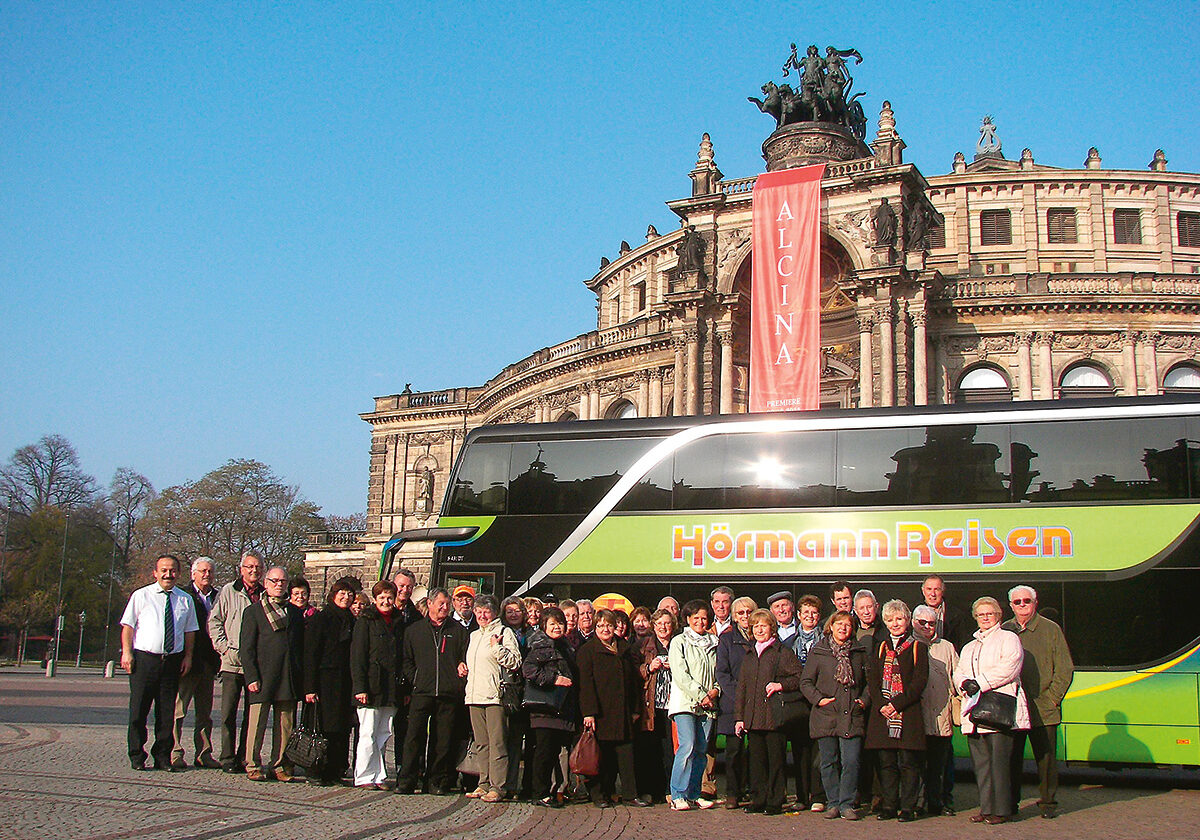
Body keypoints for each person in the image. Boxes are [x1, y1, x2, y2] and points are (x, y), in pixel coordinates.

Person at [120, 554, 198, 771]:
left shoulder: (185, 599)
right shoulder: (141, 596)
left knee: (166, 713)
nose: (168, 574)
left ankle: (162, 756)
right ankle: (137, 755)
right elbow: (128, 626)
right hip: (144, 660)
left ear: (179, 573)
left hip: (172, 661)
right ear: (155, 573)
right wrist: (127, 653)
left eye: (172, 570)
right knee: (138, 711)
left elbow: (190, 631)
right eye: (163, 570)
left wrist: (188, 657)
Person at [956, 596, 1029, 825]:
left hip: (999, 711)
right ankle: (986, 809)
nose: (985, 618)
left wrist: (980, 682)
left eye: (989, 614)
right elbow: (959, 670)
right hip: (975, 713)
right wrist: (964, 683)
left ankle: (1002, 810)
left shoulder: (1009, 638)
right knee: (982, 765)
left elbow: (1010, 666)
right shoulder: (970, 646)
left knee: (1000, 764)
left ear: (998, 616)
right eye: (980, 614)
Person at [1003, 585, 1074, 819]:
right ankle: (1011, 804)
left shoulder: (1051, 629)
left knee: (1045, 759)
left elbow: (1064, 668)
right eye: (1017, 602)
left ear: (1035, 602)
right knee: (1012, 759)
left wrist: (1053, 698)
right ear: (1011, 605)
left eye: (1026, 601)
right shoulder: (1005, 630)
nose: (1022, 605)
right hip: (1013, 708)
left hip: (1044, 706)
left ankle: (1047, 804)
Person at [397, 588, 469, 795]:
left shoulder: (458, 631)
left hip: (448, 692)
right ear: (429, 604)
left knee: (443, 740)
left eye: (447, 604)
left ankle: (436, 781)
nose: (444, 608)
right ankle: (407, 780)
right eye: (440, 604)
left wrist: (460, 671)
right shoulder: (414, 630)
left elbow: (464, 658)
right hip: (422, 691)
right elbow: (406, 660)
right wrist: (416, 680)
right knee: (414, 737)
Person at [801, 610, 869, 821]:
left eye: (847, 625)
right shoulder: (819, 651)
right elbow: (806, 682)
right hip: (826, 715)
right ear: (831, 626)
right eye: (839, 624)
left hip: (852, 714)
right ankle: (833, 803)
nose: (843, 628)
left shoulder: (859, 652)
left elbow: (869, 683)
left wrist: (864, 701)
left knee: (851, 761)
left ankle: (847, 803)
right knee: (828, 761)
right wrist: (818, 699)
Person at [734, 609, 803, 815]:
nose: (760, 629)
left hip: (774, 717)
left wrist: (780, 685)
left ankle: (774, 801)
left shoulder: (782, 652)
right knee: (756, 763)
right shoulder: (749, 654)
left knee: (776, 761)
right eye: (756, 626)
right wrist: (739, 718)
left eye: (763, 625)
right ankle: (758, 799)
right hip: (754, 718)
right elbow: (742, 689)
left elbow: (799, 677)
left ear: (772, 628)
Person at [864, 599, 928, 822]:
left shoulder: (918, 647)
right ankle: (889, 805)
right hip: (883, 715)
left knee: (909, 764)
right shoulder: (881, 646)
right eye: (890, 620)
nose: (895, 623)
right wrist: (882, 704)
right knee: (887, 764)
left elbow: (919, 682)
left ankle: (908, 808)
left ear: (908, 621)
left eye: (899, 619)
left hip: (907, 714)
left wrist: (896, 704)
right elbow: (872, 678)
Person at [240, 565, 305, 782]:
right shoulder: (254, 612)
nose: (279, 585)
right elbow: (246, 648)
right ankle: (252, 763)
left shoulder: (295, 612)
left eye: (283, 582)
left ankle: (279, 765)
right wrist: (251, 677)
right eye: (274, 581)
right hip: (262, 675)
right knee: (256, 724)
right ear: (266, 584)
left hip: (287, 675)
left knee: (285, 724)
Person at [577, 609, 641, 808]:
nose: (605, 629)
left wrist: (636, 708)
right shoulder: (587, 651)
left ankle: (630, 795)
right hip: (601, 712)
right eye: (601, 626)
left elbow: (634, 681)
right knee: (601, 756)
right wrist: (589, 712)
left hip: (623, 711)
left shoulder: (625, 648)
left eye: (609, 625)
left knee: (626, 756)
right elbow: (585, 684)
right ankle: (600, 795)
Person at [208, 549, 263, 773]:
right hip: (232, 661)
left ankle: (245, 756)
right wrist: (224, 649)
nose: (253, 570)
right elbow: (214, 621)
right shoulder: (229, 591)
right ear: (242, 569)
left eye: (257, 567)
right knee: (229, 713)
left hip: (257, 664)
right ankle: (228, 757)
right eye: (249, 567)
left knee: (252, 715)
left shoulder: (265, 593)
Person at [464, 594, 522, 802]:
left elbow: (515, 661)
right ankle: (483, 783)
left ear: (494, 612)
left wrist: (497, 648)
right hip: (474, 695)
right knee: (481, 743)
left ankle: (499, 786)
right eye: (478, 612)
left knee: (497, 743)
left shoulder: (504, 632)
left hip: (495, 697)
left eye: (485, 611)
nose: (481, 615)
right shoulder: (474, 636)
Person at [347, 580, 403, 789]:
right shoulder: (366, 620)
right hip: (371, 685)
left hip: (390, 686)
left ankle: (378, 775)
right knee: (367, 732)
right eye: (382, 598)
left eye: (389, 597)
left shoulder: (398, 621)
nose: (386, 601)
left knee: (384, 732)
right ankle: (363, 775)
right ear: (375, 599)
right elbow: (358, 656)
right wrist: (360, 688)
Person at [523, 606, 579, 808]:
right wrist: (554, 679)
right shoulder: (541, 644)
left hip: (559, 708)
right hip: (544, 708)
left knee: (553, 751)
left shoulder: (564, 645)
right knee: (544, 752)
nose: (557, 627)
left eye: (560, 623)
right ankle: (540, 793)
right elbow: (529, 670)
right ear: (544, 625)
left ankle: (550, 790)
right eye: (553, 623)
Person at [303, 577, 357, 786]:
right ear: (333, 595)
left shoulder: (351, 620)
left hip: (345, 681)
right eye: (342, 594)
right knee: (322, 728)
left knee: (342, 729)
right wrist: (310, 687)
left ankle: (335, 769)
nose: (346, 597)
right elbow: (311, 654)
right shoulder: (322, 618)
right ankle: (317, 769)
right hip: (325, 681)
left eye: (349, 594)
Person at [667, 599, 719, 810]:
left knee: (700, 750)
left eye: (704, 618)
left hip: (708, 705)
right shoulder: (679, 641)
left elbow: (719, 672)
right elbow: (680, 674)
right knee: (686, 746)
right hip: (686, 704)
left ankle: (694, 793)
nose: (700, 621)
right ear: (687, 619)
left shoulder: (715, 642)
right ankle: (677, 793)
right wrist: (701, 695)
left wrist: (716, 691)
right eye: (695, 617)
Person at [172, 555, 221, 770]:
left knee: (205, 713)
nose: (206, 575)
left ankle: (204, 752)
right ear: (193, 574)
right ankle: (174, 751)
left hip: (208, 663)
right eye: (202, 571)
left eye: (209, 571)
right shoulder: (183, 595)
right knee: (179, 710)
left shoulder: (219, 597)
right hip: (187, 661)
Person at [912, 604, 959, 816]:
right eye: (923, 623)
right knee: (917, 764)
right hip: (917, 716)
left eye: (932, 623)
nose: (928, 627)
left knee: (939, 764)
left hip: (941, 715)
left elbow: (956, 677)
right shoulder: (907, 645)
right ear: (914, 622)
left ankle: (938, 802)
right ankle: (918, 803)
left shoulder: (947, 647)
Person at [715, 596, 756, 808]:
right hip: (734, 704)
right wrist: (739, 696)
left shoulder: (762, 635)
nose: (745, 617)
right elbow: (722, 673)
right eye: (741, 613)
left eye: (749, 612)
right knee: (734, 751)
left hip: (759, 704)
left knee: (756, 751)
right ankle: (733, 792)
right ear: (734, 616)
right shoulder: (727, 639)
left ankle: (754, 790)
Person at [633, 607, 676, 806]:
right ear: (653, 626)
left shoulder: (678, 644)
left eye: (667, 623)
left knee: (670, 750)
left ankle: (669, 789)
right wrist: (649, 668)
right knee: (649, 749)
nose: (663, 627)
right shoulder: (643, 645)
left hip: (674, 705)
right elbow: (633, 671)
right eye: (659, 624)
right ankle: (648, 790)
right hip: (651, 706)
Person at [787, 594, 824, 811]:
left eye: (814, 612)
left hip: (820, 701)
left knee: (820, 751)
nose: (810, 616)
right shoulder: (790, 642)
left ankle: (818, 796)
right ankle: (801, 796)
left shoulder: (826, 640)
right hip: (798, 701)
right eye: (806, 612)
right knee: (800, 751)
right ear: (798, 616)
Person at [389, 567, 423, 782]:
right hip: (383, 679)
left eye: (409, 587)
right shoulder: (381, 611)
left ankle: (405, 768)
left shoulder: (416, 616)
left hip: (405, 681)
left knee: (406, 729)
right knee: (376, 730)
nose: (405, 590)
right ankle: (372, 770)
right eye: (401, 586)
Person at [920, 574, 969, 650]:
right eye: (929, 589)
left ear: (943, 591)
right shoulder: (914, 613)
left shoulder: (957, 615)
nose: (933, 594)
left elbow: (962, 643)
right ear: (923, 591)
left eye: (937, 589)